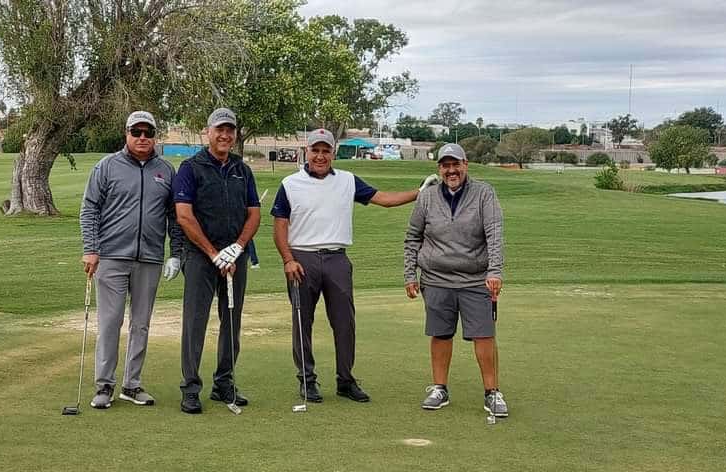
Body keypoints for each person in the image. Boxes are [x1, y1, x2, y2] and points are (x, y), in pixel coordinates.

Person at [272, 128, 440, 403]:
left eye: (326, 151)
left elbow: (383, 199)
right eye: (316, 150)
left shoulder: (348, 181)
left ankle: (345, 380)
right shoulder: (290, 184)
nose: (320, 156)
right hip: (302, 259)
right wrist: (288, 260)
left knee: (344, 322)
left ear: (333, 153)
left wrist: (419, 193)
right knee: (302, 322)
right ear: (307, 152)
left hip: (337, 258)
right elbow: (279, 227)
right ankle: (307, 379)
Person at [80, 110, 184, 409]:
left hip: (149, 258)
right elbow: (90, 210)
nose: (142, 138)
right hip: (111, 256)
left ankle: (132, 384)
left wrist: (175, 254)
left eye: (147, 133)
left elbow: (174, 218)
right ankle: (104, 386)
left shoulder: (165, 170)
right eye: (136, 132)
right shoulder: (107, 166)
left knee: (141, 324)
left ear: (154, 136)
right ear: (126, 133)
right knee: (110, 322)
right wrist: (91, 249)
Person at [403, 143, 508, 418]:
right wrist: (409, 274)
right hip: (436, 278)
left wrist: (495, 271)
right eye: (445, 165)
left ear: (465, 164)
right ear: (439, 168)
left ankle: (492, 392)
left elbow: (494, 235)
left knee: (484, 334)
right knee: (440, 334)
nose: (451, 170)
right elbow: (413, 237)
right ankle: (440, 388)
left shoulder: (484, 193)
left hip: (475, 279)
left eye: (456, 164)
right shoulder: (426, 198)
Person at [173, 108, 261, 414]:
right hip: (200, 257)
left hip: (235, 258)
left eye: (230, 130)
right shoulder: (191, 168)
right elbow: (184, 216)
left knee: (232, 322)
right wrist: (214, 254)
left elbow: (254, 213)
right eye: (219, 129)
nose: (225, 135)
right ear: (207, 132)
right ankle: (190, 387)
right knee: (195, 322)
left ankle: (224, 383)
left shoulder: (241, 169)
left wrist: (236, 249)